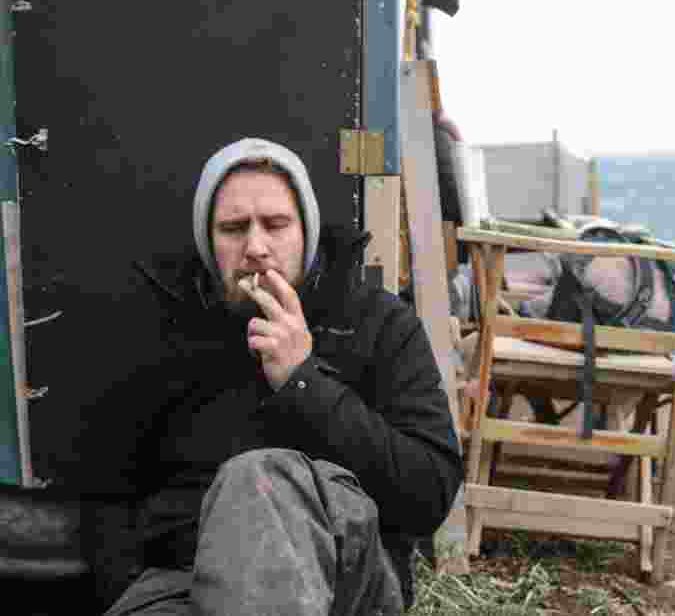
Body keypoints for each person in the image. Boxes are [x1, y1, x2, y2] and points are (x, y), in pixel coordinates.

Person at [71, 138, 464, 614]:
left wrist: (303, 381)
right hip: (180, 584)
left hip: (341, 585)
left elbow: (429, 494)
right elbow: (104, 493)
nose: (255, 247)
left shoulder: (378, 324)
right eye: (234, 228)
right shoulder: (160, 330)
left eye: (276, 224)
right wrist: (126, 587)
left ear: (307, 233)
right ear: (208, 242)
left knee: (256, 478)